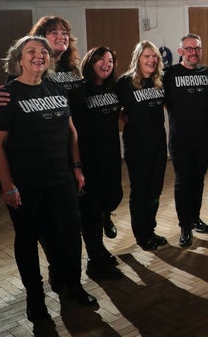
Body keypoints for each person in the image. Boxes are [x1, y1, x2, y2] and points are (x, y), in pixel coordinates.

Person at [0, 36, 96, 322]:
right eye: (31, 51)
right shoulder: (6, 95)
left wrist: (76, 166)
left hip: (60, 179)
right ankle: (35, 299)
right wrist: (8, 185)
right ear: (18, 60)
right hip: (25, 184)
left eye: (43, 51)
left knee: (71, 233)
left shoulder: (57, 87)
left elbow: (71, 131)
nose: (39, 55)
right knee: (27, 240)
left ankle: (73, 285)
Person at [69, 46, 124, 279]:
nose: (106, 63)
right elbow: (73, 131)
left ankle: (106, 218)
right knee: (90, 210)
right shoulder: (79, 90)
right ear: (90, 62)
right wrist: (78, 164)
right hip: (90, 158)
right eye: (101, 59)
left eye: (110, 60)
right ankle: (95, 259)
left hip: (111, 156)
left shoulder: (114, 88)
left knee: (112, 196)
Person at [116, 41, 168, 251]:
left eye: (154, 56)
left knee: (154, 190)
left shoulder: (159, 82)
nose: (151, 60)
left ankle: (151, 230)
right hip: (137, 145)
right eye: (147, 56)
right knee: (140, 191)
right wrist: (125, 117)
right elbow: (115, 109)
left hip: (158, 143)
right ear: (138, 58)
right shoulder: (125, 83)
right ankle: (141, 234)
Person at [164, 34, 208, 247]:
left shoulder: (206, 73)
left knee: (198, 179)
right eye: (189, 48)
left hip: (203, 138)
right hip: (180, 138)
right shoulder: (169, 74)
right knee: (183, 181)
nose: (194, 52)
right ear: (180, 51)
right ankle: (184, 226)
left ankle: (194, 218)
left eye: (197, 48)